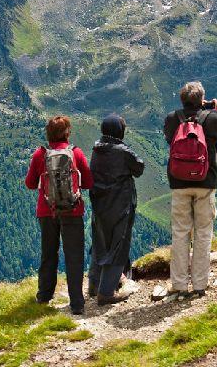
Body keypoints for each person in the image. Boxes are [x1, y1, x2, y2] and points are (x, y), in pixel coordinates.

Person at [161, 81, 217, 301]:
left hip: (178, 183)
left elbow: (169, 138)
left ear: (182, 99)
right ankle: (199, 284)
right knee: (203, 233)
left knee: (180, 233)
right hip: (205, 182)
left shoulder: (172, 118)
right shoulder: (211, 118)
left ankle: (178, 285)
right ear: (202, 99)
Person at [25, 115, 94, 315]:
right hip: (72, 211)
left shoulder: (40, 154)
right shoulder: (76, 153)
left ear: (48, 133)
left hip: (47, 211)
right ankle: (77, 303)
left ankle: (44, 296)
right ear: (67, 132)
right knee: (74, 256)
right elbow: (88, 182)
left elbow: (30, 184)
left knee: (48, 253)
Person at [88, 114, 144, 306]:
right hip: (120, 205)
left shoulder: (96, 149)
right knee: (118, 245)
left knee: (100, 242)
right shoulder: (122, 151)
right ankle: (106, 292)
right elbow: (139, 167)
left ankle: (94, 286)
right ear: (119, 131)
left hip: (99, 205)